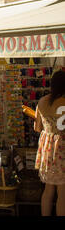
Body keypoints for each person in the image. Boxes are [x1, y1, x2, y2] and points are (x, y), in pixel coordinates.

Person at [34, 69, 65, 216]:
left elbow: (37, 127)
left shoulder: (42, 101)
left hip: (48, 150)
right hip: (63, 150)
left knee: (48, 190)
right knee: (63, 194)